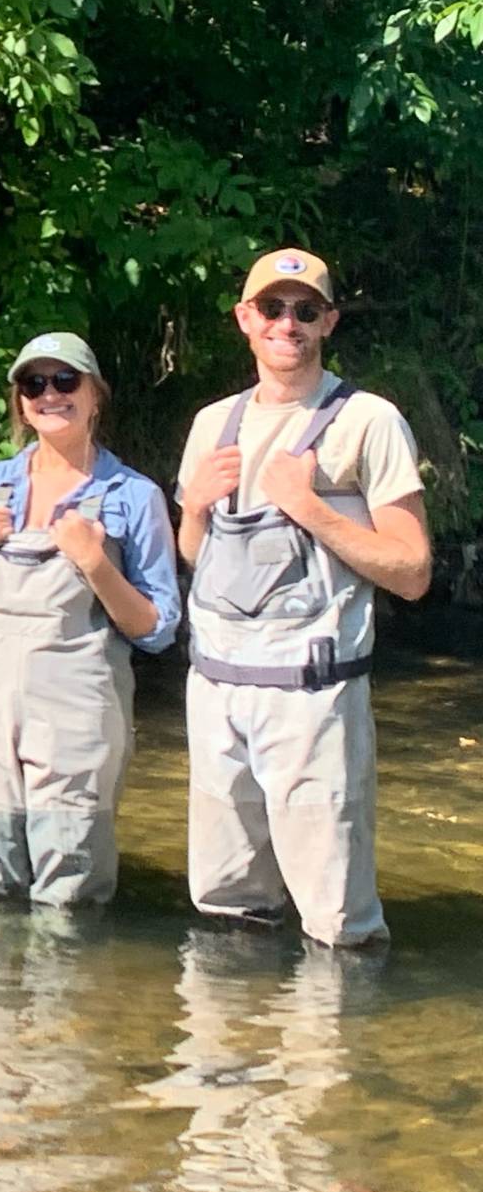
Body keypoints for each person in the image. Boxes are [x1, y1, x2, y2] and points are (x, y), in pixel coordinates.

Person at [176, 249, 431, 946]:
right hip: (217, 695)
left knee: (337, 923)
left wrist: (310, 508)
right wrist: (193, 508)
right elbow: (197, 557)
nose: (287, 323)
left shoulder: (368, 421)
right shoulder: (211, 424)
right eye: (271, 308)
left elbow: (412, 571)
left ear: (329, 322)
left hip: (315, 700)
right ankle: (233, 1016)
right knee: (226, 913)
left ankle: (338, 1015)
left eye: (305, 310)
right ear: (244, 318)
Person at [0, 332, 179, 905]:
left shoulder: (133, 495)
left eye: (66, 381)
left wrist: (95, 563)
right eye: (34, 384)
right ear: (20, 403)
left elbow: (157, 629)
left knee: (70, 891)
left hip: (78, 712)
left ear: (95, 396)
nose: (50, 394)